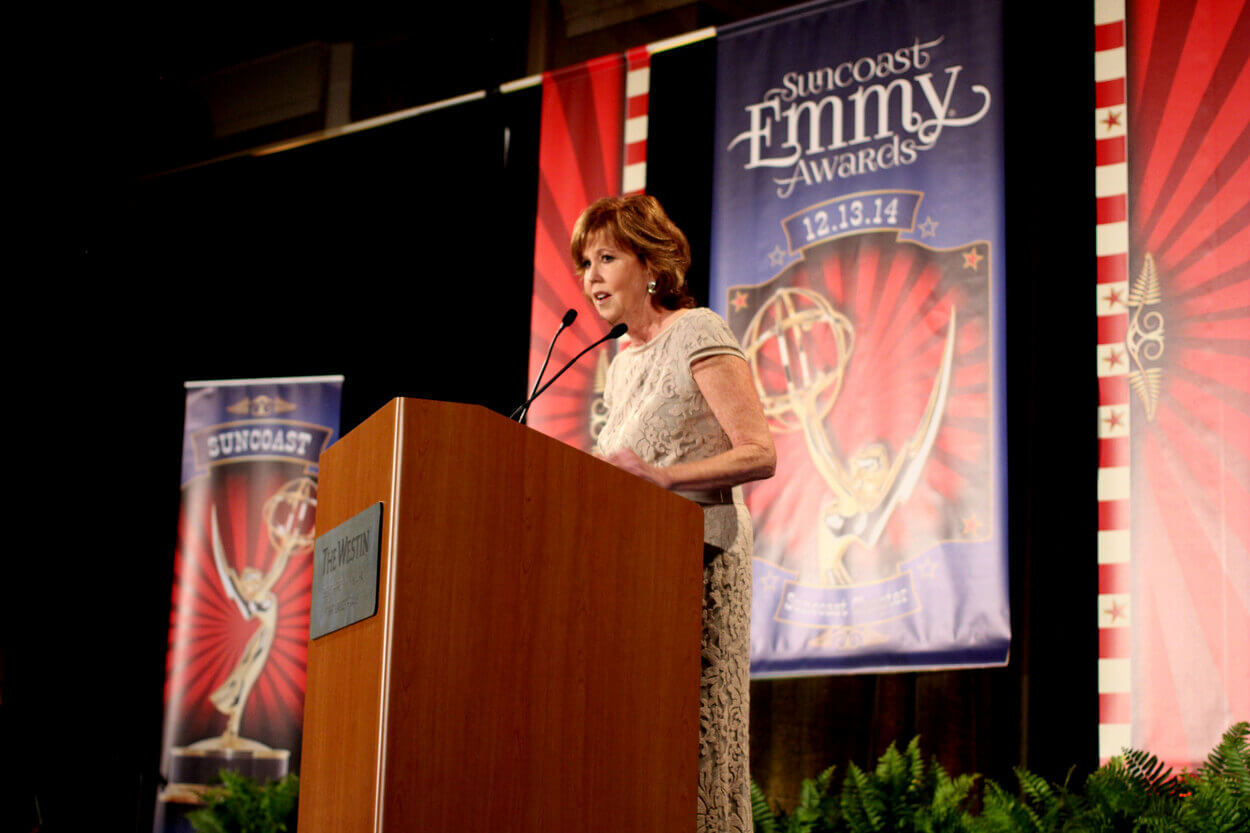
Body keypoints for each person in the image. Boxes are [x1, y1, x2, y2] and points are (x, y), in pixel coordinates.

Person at [572, 194, 776, 833]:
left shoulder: (698, 331)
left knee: (697, 744)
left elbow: (759, 452)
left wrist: (665, 478)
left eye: (607, 257)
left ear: (650, 263)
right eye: (585, 262)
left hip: (701, 563)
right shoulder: (620, 360)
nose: (592, 276)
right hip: (636, 577)